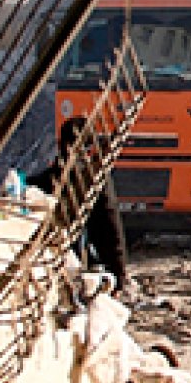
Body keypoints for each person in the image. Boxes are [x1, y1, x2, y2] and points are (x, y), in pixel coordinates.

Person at [27, 119, 131, 295]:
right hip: (76, 266)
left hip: (45, 263)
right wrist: (118, 274)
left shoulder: (45, 181)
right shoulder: (94, 180)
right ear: (90, 148)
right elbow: (109, 228)